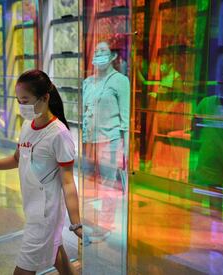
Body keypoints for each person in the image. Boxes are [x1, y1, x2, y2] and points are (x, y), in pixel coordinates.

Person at [0, 69, 82, 275]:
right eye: (19, 101)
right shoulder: (27, 126)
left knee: (22, 271)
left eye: (25, 100)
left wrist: (76, 223)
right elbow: (16, 159)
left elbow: (67, 182)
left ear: (45, 98)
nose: (22, 107)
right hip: (32, 208)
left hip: (45, 215)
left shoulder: (59, 134)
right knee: (56, 254)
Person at [82, 41, 130, 238]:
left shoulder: (120, 81)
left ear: (112, 57)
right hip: (89, 140)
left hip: (110, 140)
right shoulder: (88, 82)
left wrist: (125, 149)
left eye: (103, 51)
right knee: (91, 182)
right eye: (96, 50)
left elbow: (125, 119)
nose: (98, 54)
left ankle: (106, 225)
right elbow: (85, 112)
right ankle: (92, 220)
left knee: (108, 184)